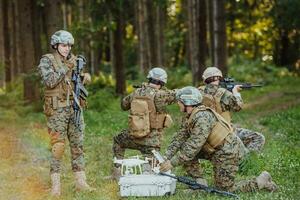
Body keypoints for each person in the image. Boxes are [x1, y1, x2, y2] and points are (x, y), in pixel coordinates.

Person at [160, 86, 277, 192]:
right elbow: (179, 138)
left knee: (224, 190)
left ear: (187, 102)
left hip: (227, 153)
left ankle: (261, 181)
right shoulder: (191, 116)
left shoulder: (202, 118)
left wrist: (171, 163)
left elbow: (192, 147)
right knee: (185, 148)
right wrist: (165, 157)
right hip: (216, 150)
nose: (178, 104)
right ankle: (199, 183)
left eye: (179, 102)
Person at [37, 30, 94, 196]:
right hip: (57, 110)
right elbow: (49, 81)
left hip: (74, 108)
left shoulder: (74, 60)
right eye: (63, 45)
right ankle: (56, 186)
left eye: (69, 45)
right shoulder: (47, 60)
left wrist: (84, 77)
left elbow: (75, 79)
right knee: (58, 146)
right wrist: (66, 67)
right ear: (55, 45)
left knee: (78, 145)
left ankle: (81, 182)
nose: (67, 48)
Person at [111, 67, 177, 179]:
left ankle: (117, 173)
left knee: (118, 140)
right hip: (152, 143)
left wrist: (141, 91)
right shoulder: (161, 94)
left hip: (134, 137)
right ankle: (149, 174)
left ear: (149, 79)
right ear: (162, 82)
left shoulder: (137, 92)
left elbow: (123, 105)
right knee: (156, 173)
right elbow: (177, 95)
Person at [200, 67, 265, 152]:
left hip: (204, 135)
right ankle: (246, 160)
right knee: (258, 138)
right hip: (224, 134)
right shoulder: (224, 93)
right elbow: (238, 107)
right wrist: (236, 93)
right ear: (219, 78)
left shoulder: (198, 92)